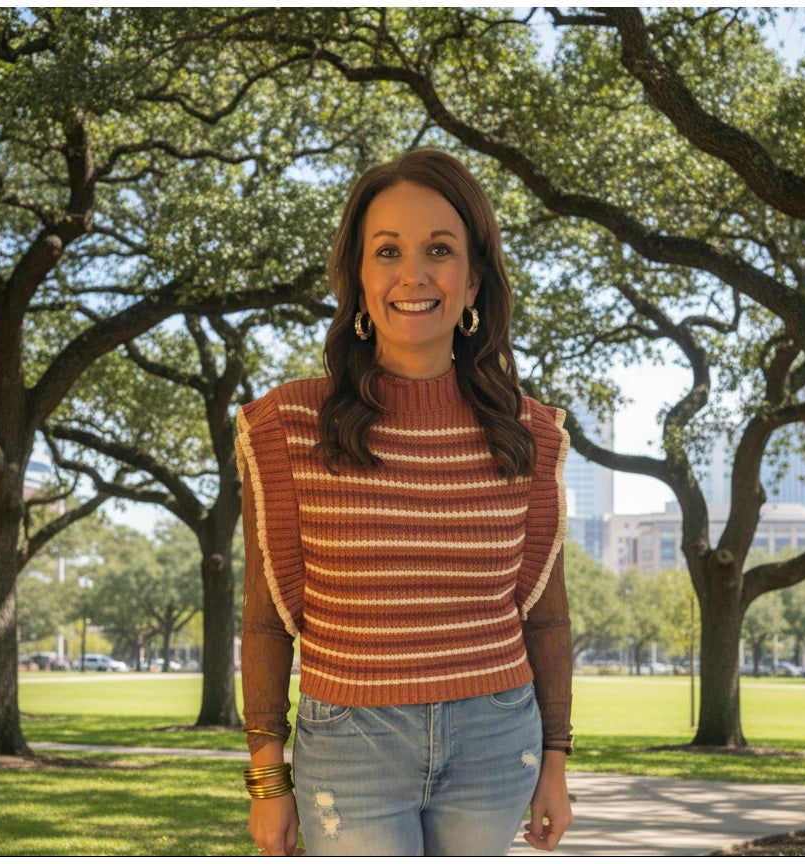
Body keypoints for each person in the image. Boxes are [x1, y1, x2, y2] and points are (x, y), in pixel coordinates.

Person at [235, 147, 574, 856]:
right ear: (358, 279)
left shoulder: (529, 434)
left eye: (440, 250)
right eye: (387, 250)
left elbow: (544, 616)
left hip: (496, 740)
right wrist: (269, 778)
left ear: (474, 279)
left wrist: (556, 763)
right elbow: (267, 621)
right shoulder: (287, 428)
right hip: (349, 749)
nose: (413, 274)